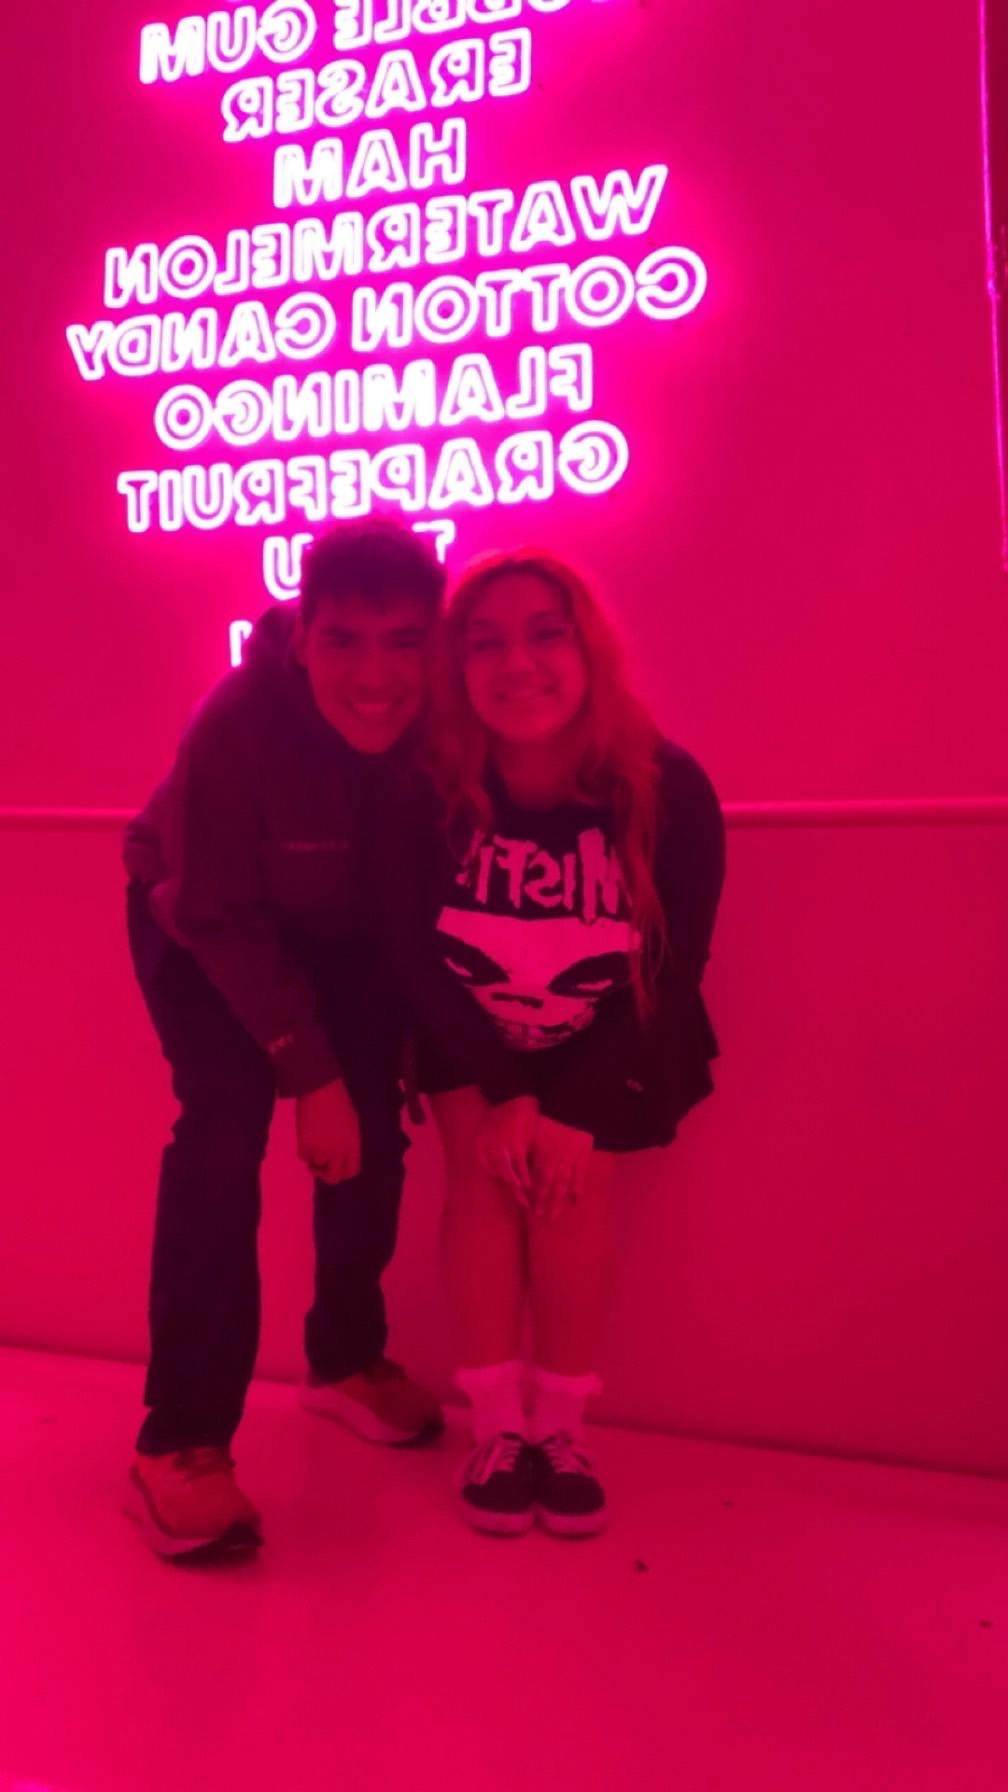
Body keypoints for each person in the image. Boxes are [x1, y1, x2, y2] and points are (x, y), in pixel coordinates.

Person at [377, 549, 725, 1537]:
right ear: (457, 666)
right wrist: (506, 1091)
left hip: (612, 1033)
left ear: (588, 650)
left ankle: (562, 1432)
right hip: (466, 1033)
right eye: (485, 643)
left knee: (572, 1195)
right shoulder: (423, 789)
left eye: (544, 634)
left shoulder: (666, 784)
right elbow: (412, 960)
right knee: (483, 1184)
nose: (516, 663)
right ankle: (497, 1429)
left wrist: (573, 1105)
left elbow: (673, 965)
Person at [123, 519, 446, 1561]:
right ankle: (178, 1442)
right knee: (223, 1136)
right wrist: (307, 1070)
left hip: (340, 931)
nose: (375, 677)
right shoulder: (235, 724)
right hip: (198, 918)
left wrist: (381, 1053)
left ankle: (344, 1358)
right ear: (303, 635)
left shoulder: (442, 722)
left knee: (374, 1138)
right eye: (344, 639)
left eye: (404, 642)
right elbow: (212, 912)